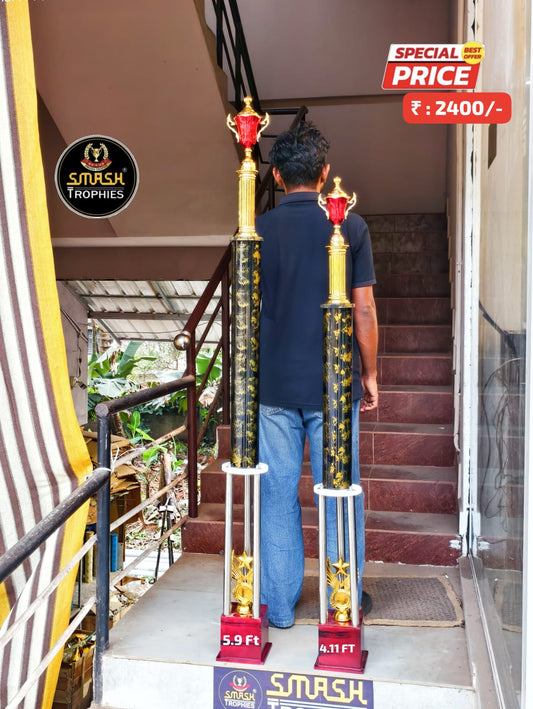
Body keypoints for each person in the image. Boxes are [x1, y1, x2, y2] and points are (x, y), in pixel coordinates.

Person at [256, 121, 378, 629]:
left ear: (277, 176)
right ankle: (340, 604)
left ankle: (280, 608)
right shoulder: (348, 225)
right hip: (333, 384)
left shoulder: (256, 230)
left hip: (273, 387)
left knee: (277, 495)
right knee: (338, 491)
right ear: (324, 173)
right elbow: (363, 308)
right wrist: (370, 373)